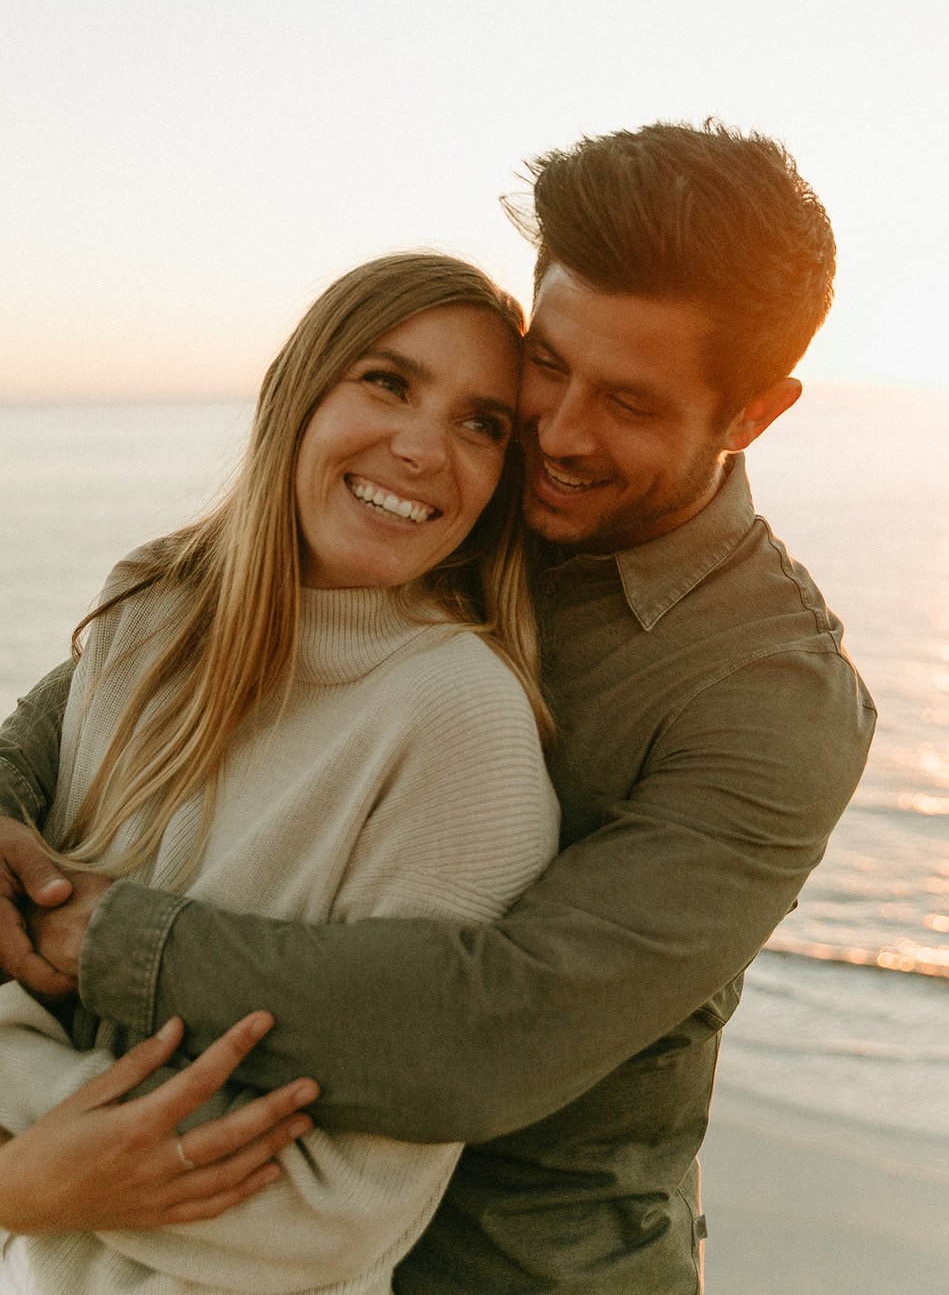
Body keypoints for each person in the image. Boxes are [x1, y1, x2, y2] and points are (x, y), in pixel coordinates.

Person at [0, 120, 876, 1293]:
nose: (557, 436)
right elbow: (89, 717)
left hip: (505, 1269)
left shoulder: (771, 699)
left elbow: (491, 1032)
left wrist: (100, 937)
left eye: (627, 401)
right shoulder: (442, 481)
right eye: (548, 364)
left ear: (756, 414)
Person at [0, 253, 559, 1293]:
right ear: (297, 390)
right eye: (387, 382)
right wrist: (29, 1183)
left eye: (482, 424)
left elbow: (337, 1208)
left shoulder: (459, 721)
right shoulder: (149, 623)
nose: (423, 448)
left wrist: (43, 1166)